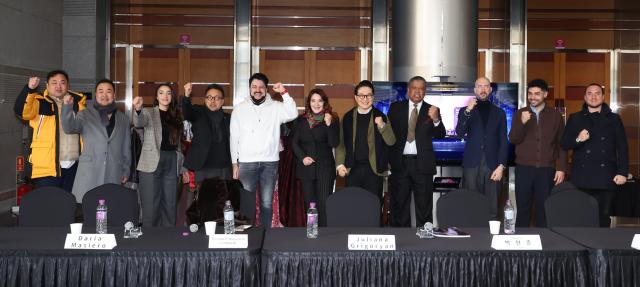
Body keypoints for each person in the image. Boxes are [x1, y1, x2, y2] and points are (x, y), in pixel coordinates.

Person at [230, 73, 298, 228]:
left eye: (261, 87)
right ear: (249, 89)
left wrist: (284, 92)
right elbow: (234, 137)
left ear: (266, 89)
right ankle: (248, 234)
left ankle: (266, 235)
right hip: (246, 163)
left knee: (267, 203)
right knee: (247, 202)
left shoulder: (276, 107)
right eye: (254, 87)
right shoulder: (239, 109)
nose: (257, 90)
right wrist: (235, 162)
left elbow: (293, 113)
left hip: (270, 163)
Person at [561, 83, 628, 227]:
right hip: (581, 177)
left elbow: (622, 147)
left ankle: (602, 250)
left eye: (597, 93)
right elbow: (565, 144)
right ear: (585, 97)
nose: (593, 96)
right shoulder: (575, 118)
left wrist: (622, 172)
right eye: (590, 93)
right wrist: (578, 139)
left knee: (603, 219)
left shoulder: (614, 119)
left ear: (603, 97)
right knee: (581, 219)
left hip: (606, 177)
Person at [14, 70, 87, 193]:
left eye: (62, 82)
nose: (59, 86)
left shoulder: (77, 103)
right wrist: (30, 89)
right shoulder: (39, 102)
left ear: (68, 85)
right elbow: (22, 112)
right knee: (48, 205)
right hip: (47, 166)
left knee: (67, 204)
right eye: (54, 82)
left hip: (73, 165)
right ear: (47, 85)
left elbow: (84, 128)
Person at [387, 76, 446, 227]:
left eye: (421, 89)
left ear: (425, 91)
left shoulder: (432, 110)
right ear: (408, 90)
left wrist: (436, 120)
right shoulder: (395, 108)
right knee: (399, 207)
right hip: (400, 165)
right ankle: (401, 241)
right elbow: (388, 136)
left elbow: (441, 134)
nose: (418, 92)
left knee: (424, 207)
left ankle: (425, 242)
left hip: (423, 166)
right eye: (415, 88)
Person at [60, 79, 131, 202]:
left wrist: (126, 169)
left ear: (114, 95)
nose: (104, 95)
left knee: (110, 209)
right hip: (89, 172)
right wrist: (67, 108)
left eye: (108, 91)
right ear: (96, 95)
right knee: (88, 210)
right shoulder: (85, 114)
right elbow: (69, 127)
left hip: (113, 171)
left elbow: (126, 147)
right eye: (100, 91)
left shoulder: (123, 119)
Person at [509, 79, 567, 227]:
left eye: (537, 94)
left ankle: (544, 244)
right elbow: (514, 139)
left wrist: (561, 168)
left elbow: (561, 144)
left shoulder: (555, 116)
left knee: (544, 209)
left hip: (547, 170)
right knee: (523, 209)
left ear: (545, 94)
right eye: (530, 94)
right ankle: (521, 244)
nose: (533, 97)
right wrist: (522, 123)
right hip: (523, 169)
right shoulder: (520, 114)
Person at [132, 84, 185, 227]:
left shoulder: (176, 115)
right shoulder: (149, 112)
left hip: (172, 160)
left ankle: (168, 238)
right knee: (151, 203)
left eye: (168, 93)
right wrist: (137, 109)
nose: (165, 96)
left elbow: (179, 145)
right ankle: (150, 239)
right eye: (161, 93)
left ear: (172, 96)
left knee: (170, 202)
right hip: (151, 161)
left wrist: (182, 168)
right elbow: (139, 122)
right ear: (157, 97)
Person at [455, 76, 507, 220]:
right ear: (475, 89)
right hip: (472, 163)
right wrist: (468, 111)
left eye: (486, 86)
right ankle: (472, 240)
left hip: (493, 165)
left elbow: (504, 141)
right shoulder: (465, 111)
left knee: (493, 207)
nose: (482, 89)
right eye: (479, 86)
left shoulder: (499, 113)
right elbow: (459, 132)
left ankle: (491, 238)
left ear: (490, 89)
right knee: (471, 204)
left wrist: (501, 166)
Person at [336, 80, 396, 203]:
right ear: (355, 97)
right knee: (353, 207)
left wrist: (382, 126)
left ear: (373, 97)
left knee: (373, 207)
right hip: (352, 169)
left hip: (374, 171)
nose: (365, 99)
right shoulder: (347, 117)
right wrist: (340, 164)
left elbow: (391, 141)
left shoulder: (381, 116)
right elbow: (340, 144)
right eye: (361, 95)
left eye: (368, 95)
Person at [291, 88, 340, 226]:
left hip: (325, 168)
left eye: (320, 100)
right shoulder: (301, 121)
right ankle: (312, 233)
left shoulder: (332, 118)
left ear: (324, 103)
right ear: (309, 103)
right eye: (313, 100)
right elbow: (294, 143)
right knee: (310, 206)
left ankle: (324, 236)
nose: (316, 104)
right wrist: (302, 157)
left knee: (324, 205)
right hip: (306, 169)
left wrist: (329, 124)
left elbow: (334, 143)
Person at [182, 83, 231, 183]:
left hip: (224, 167)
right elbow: (187, 112)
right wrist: (186, 95)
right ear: (205, 100)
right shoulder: (198, 113)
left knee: (224, 197)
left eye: (217, 98)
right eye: (209, 97)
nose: (213, 101)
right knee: (203, 197)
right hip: (202, 166)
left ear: (222, 101)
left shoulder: (229, 118)